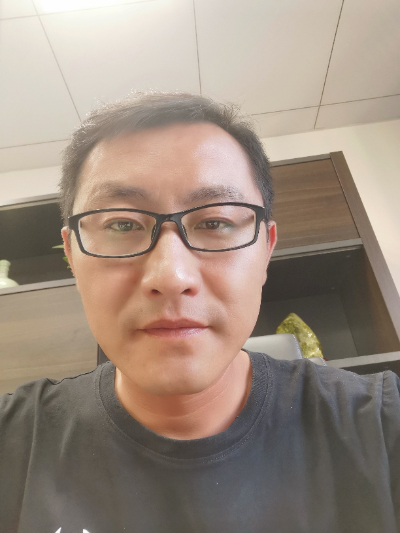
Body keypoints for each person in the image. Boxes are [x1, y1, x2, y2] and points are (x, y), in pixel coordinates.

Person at [1, 92, 399, 533]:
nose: (171, 276)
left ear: (266, 250)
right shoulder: (12, 442)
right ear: (72, 256)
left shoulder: (382, 425)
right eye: (121, 224)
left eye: (214, 222)